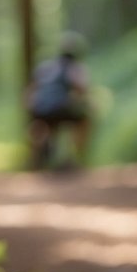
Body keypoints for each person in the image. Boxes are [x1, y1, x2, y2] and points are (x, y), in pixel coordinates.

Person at [25, 32, 91, 169]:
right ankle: (74, 158)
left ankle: (38, 155)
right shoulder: (74, 68)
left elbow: (30, 91)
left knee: (40, 125)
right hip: (61, 109)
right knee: (83, 121)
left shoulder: (45, 67)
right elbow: (81, 90)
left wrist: (32, 109)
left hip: (40, 110)